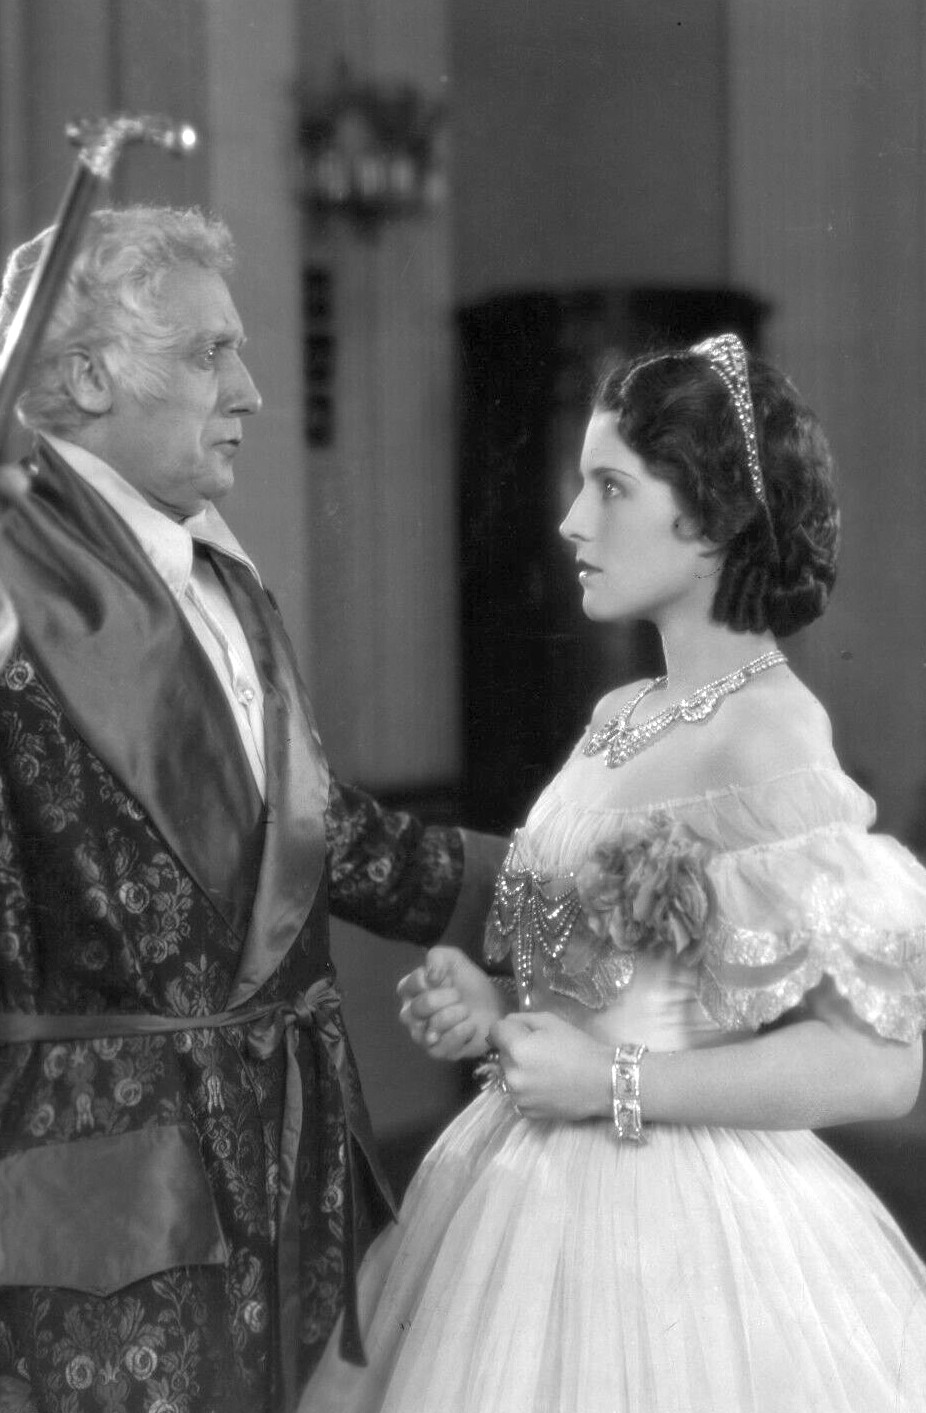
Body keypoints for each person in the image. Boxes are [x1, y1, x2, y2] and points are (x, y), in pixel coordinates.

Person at [0, 205, 505, 1413]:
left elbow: (311, 838)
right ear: (89, 377)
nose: (247, 389)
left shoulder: (217, 574)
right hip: (101, 1222)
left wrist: (555, 894)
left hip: (291, 1175)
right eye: (209, 353)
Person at [299, 334, 926, 1412]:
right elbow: (604, 983)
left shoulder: (770, 732)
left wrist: (612, 1083)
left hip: (672, 1223)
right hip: (514, 1182)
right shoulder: (618, 715)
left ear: (714, 516)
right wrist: (495, 1005)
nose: (571, 522)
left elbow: (881, 1069)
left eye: (610, 487)